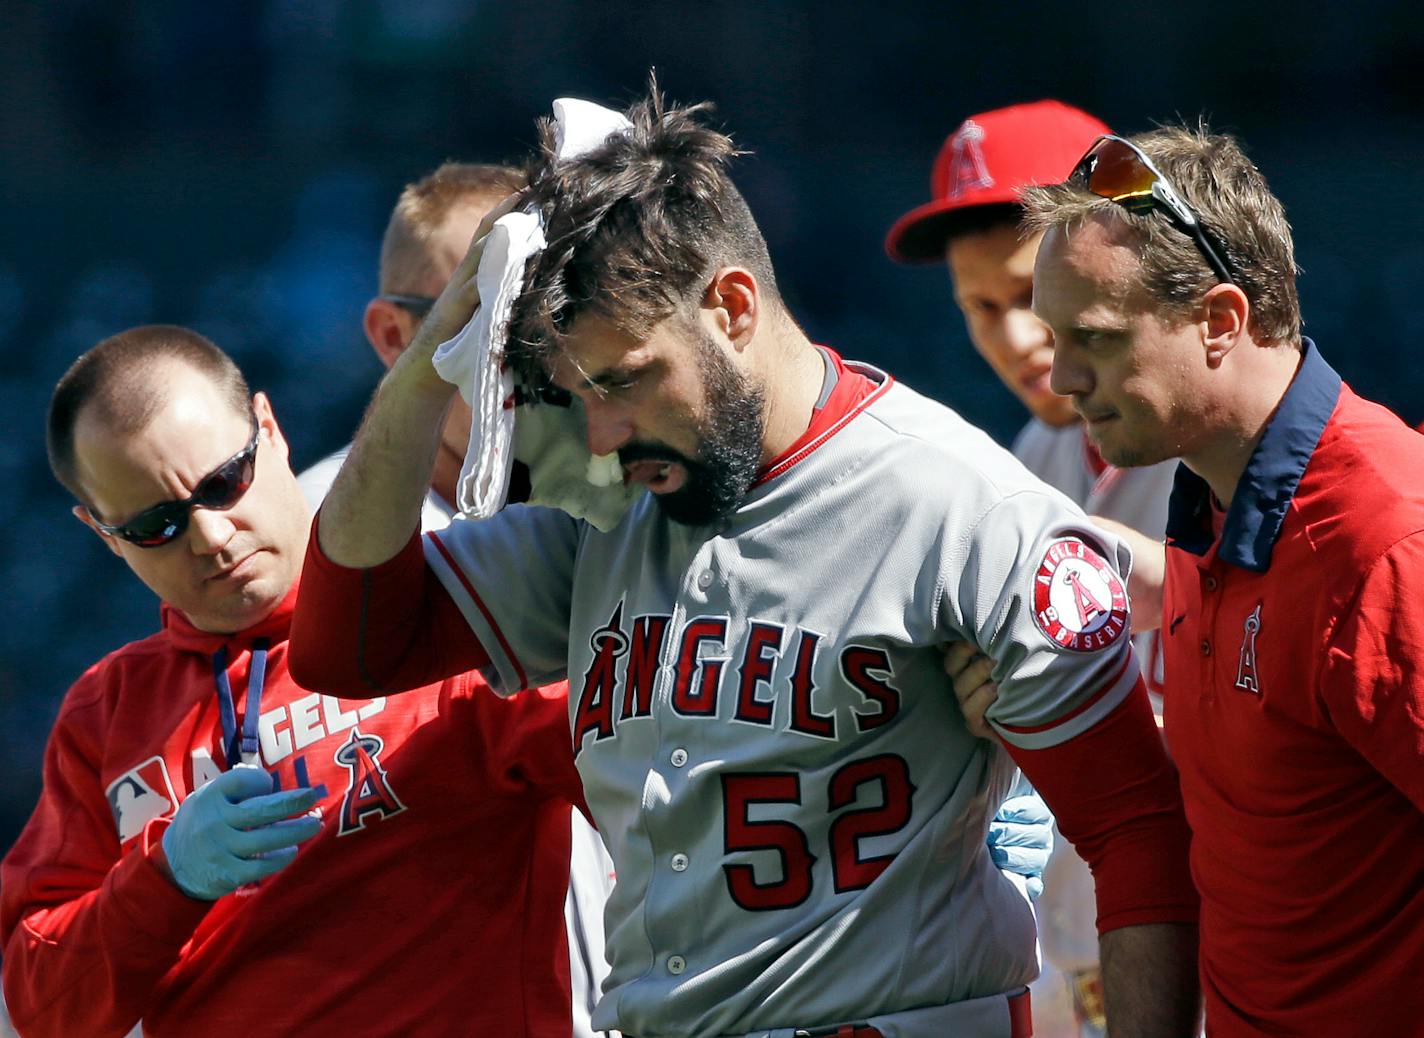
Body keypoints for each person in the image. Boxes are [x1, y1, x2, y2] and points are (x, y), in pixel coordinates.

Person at [289, 86, 1201, 1038]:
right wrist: (441, 336)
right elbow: (348, 646)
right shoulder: (610, 503)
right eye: (580, 390)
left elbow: (1136, 835)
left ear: (729, 308)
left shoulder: (957, 500)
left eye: (628, 378)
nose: (600, 429)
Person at [2, 326, 587, 1037]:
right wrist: (165, 876)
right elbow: (43, 1011)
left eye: (223, 483)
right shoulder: (105, 711)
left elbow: (659, 781)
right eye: (156, 525)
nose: (212, 537)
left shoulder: (449, 614)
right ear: (101, 534)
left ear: (271, 431)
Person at [1022, 126, 1424, 1035]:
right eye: (1055, 334)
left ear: (1220, 321)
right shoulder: (1220, 509)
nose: (1062, 375)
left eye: (1094, 337)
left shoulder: (1382, 540)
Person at [295, 160, 620, 1038]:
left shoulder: (623, 491)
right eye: (483, 316)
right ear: (397, 337)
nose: (525, 351)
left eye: (547, 311)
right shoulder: (309, 550)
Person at [885, 100, 1181, 1038]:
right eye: (982, 308)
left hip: (1231, 956)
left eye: (1029, 297)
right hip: (1081, 971)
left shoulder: (1216, 452)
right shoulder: (1025, 463)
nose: (1015, 341)